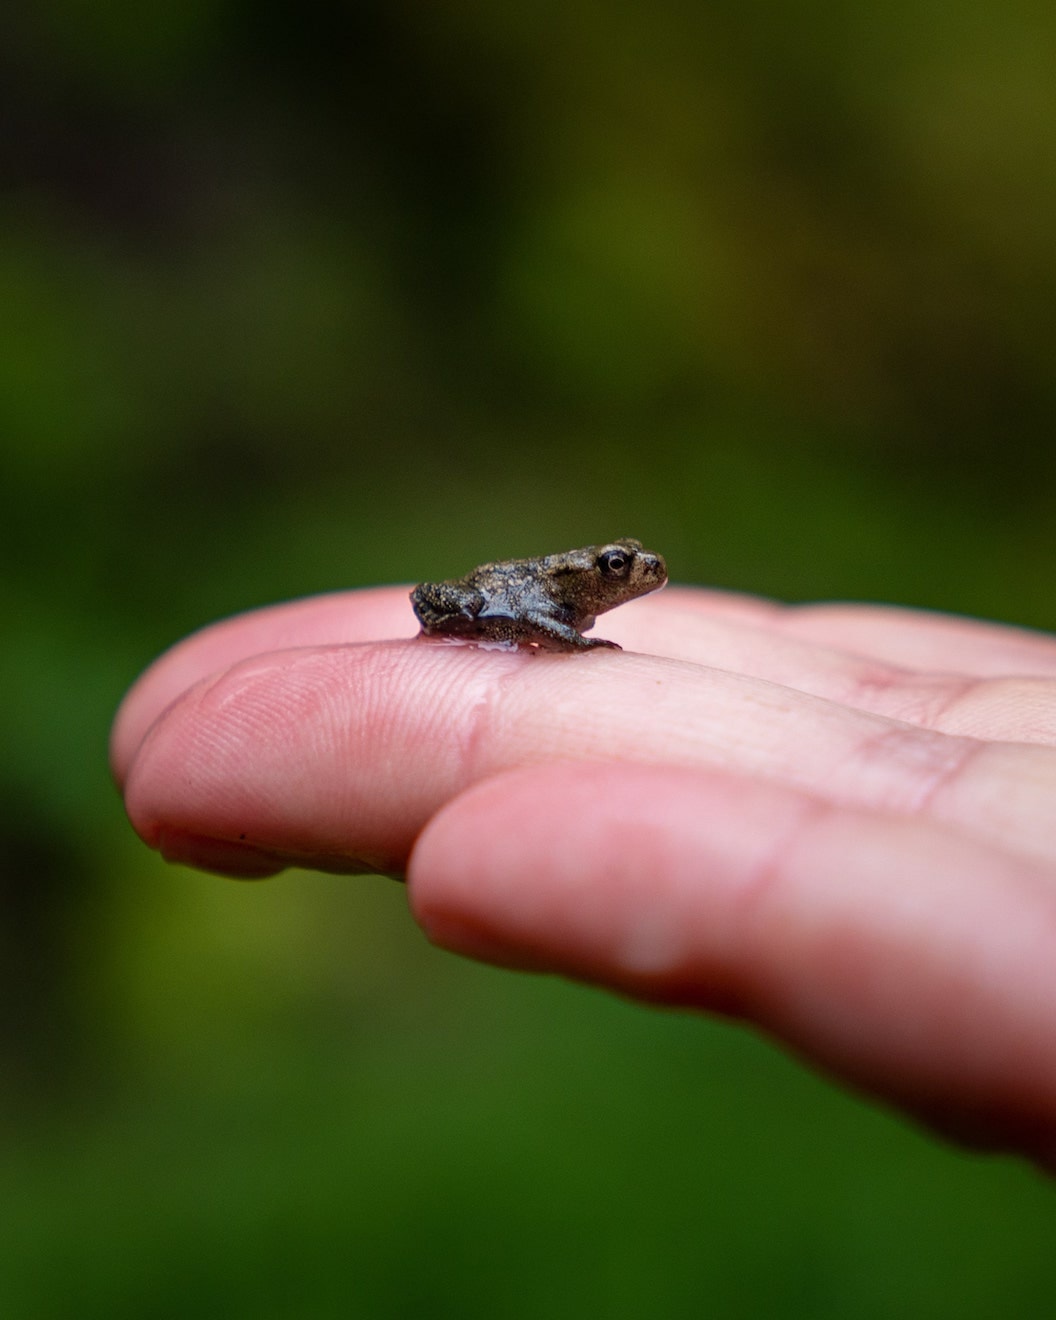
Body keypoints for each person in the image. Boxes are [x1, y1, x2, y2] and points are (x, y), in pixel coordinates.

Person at [110, 583, 1056, 1171]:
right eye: (617, 568)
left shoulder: (586, 598)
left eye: (629, 568)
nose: (632, 581)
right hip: (496, 590)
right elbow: (525, 621)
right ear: (589, 580)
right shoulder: (558, 598)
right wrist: (563, 640)